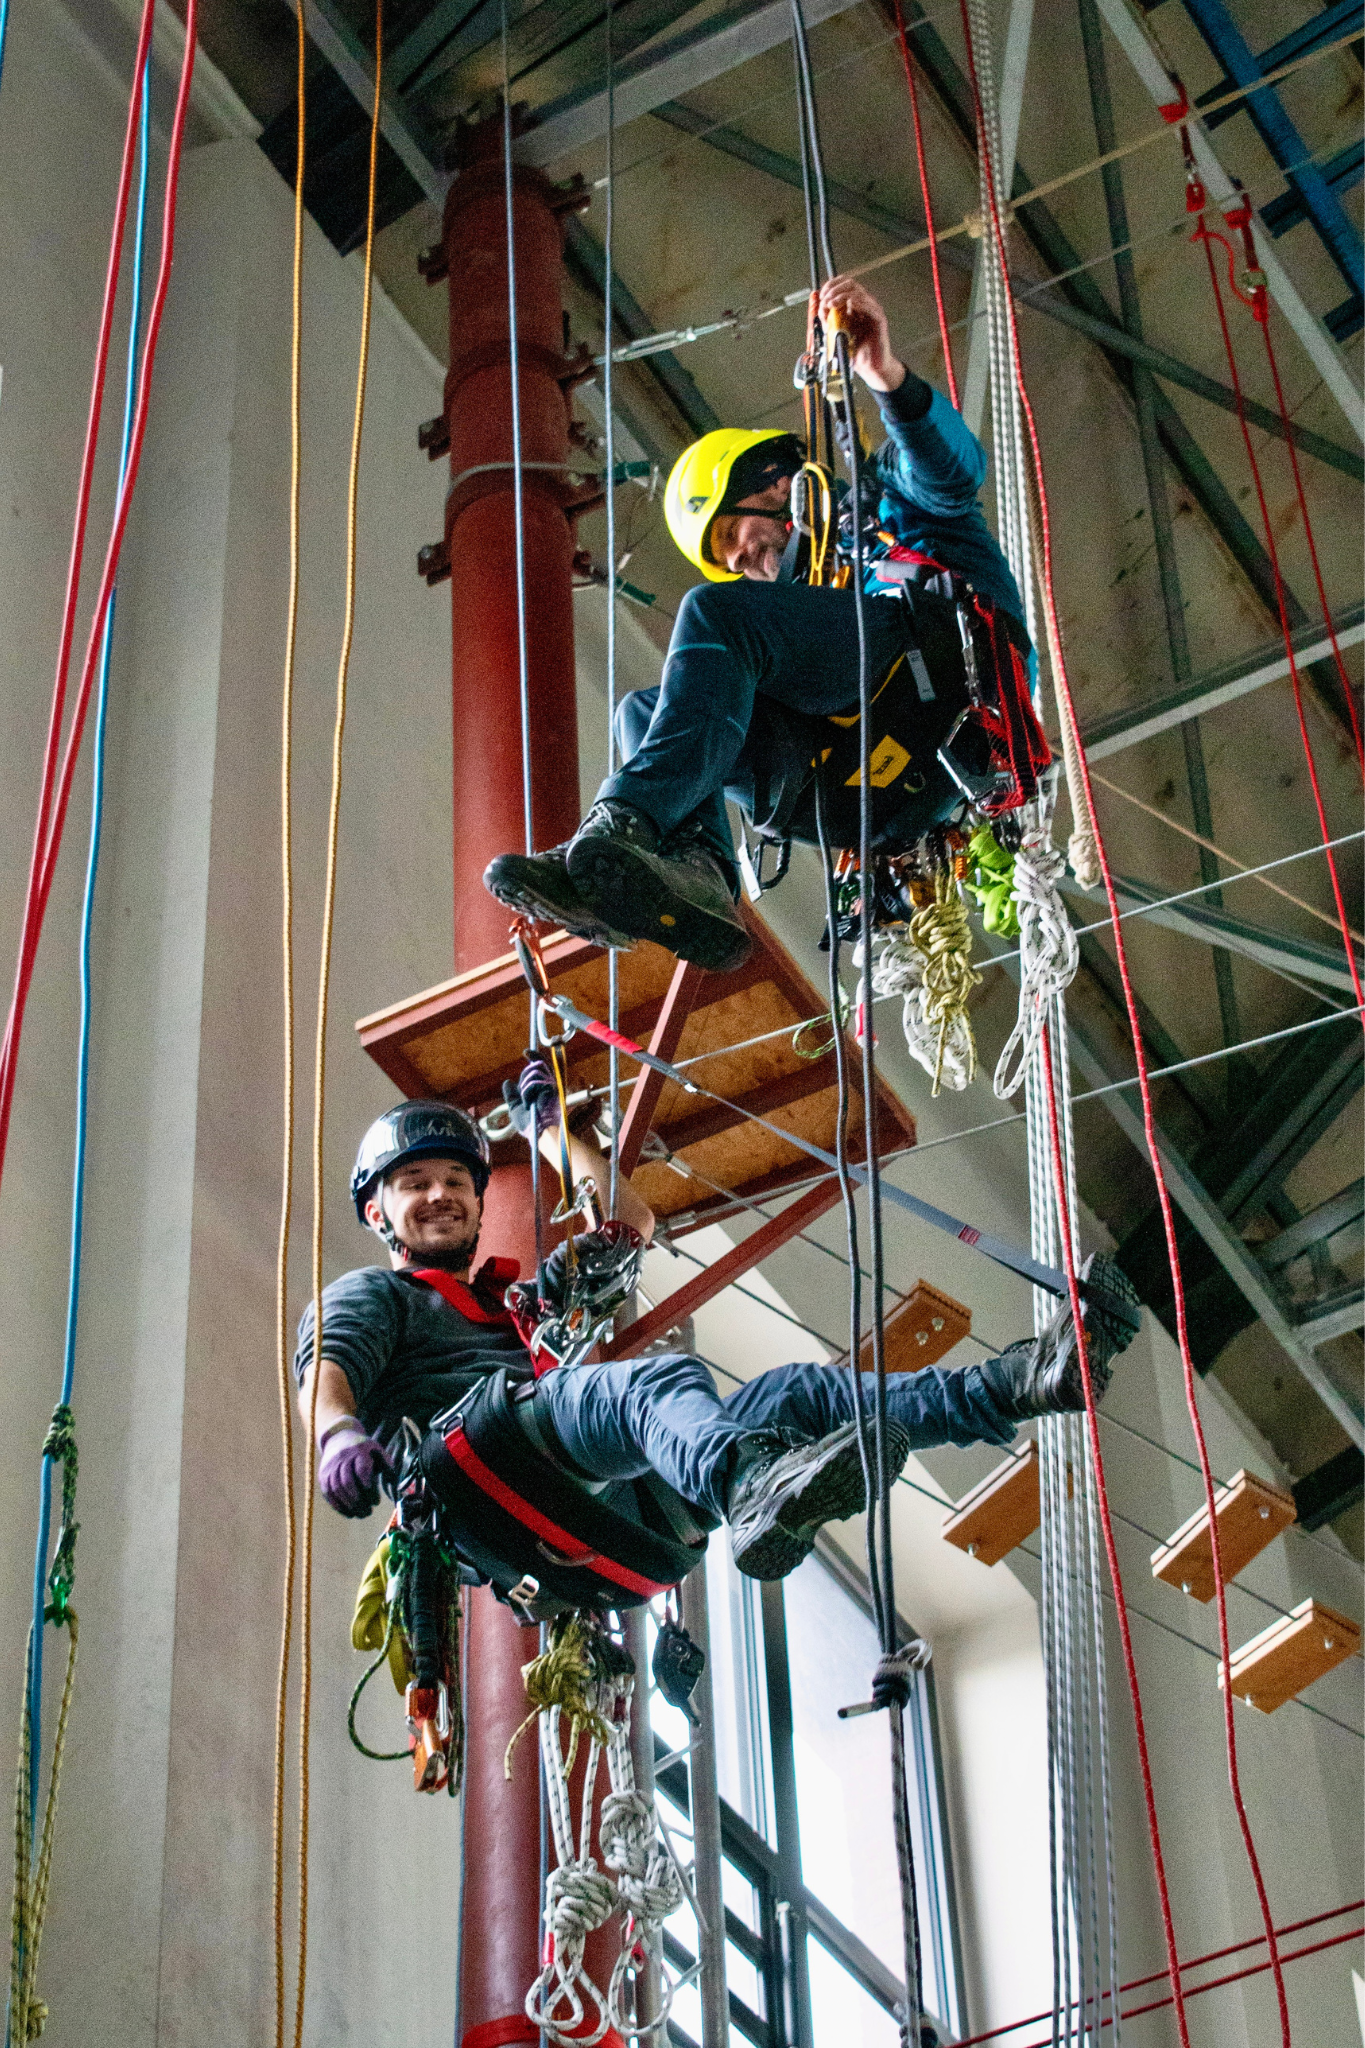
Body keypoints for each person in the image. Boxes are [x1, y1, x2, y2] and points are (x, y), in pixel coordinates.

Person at [296, 1084, 1141, 1600]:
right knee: (649, 1383)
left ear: (480, 1204)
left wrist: (552, 1129)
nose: (439, 1195)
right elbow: (324, 1373)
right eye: (414, 1185)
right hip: (477, 1470)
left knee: (795, 1396)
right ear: (378, 1213)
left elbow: (628, 1223)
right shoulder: (376, 1294)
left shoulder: (519, 1305)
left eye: (454, 1182)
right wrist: (339, 1439)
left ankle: (1020, 1384)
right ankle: (749, 1483)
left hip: (616, 1519)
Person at [486, 274, 1038, 973]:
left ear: (776, 481)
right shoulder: (802, 609)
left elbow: (952, 471)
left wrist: (880, 373)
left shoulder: (894, 507)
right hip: (850, 793)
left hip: (942, 693)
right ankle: (703, 875)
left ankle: (623, 819)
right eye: (725, 556)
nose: (743, 557)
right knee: (641, 711)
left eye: (733, 531)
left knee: (716, 615)